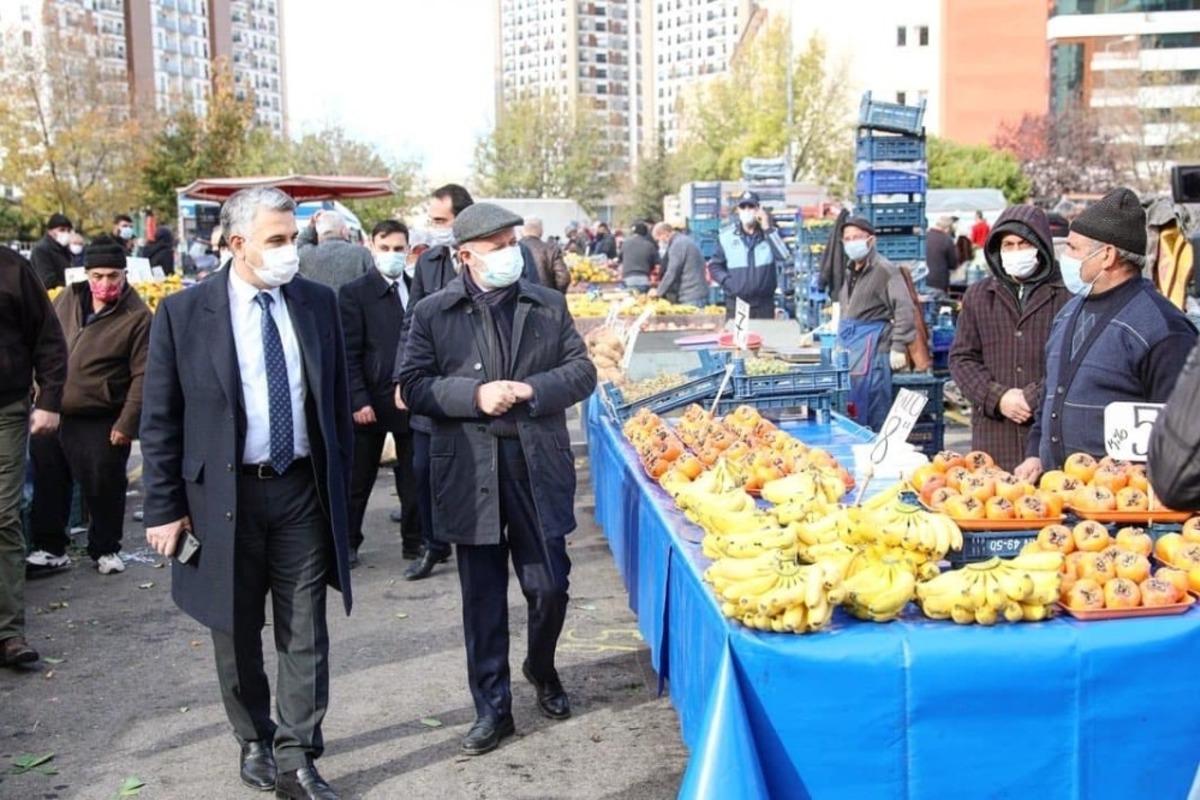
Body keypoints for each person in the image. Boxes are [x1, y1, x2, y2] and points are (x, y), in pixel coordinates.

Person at [141, 187, 353, 800]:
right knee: (233, 630)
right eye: (277, 240)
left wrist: (341, 491)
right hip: (221, 499)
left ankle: (298, 756)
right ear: (238, 244)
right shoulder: (184, 314)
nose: (291, 251)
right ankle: (255, 737)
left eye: (294, 238)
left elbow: (334, 401)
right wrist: (165, 508)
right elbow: (161, 420)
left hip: (300, 492)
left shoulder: (317, 303)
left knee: (305, 627)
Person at [398, 202, 597, 756]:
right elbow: (412, 385)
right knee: (482, 597)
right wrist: (474, 395)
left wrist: (534, 389)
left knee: (549, 584)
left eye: (513, 243)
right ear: (465, 255)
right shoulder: (434, 312)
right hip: (470, 469)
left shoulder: (546, 304)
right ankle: (492, 708)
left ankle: (541, 666)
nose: (511, 253)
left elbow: (583, 371)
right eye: (498, 246)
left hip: (536, 464)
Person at [1014, 188, 1198, 482]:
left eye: (1073, 248)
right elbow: (1051, 392)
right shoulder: (1068, 312)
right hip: (1058, 494)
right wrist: (1035, 451)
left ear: (1107, 255)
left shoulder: (1163, 328)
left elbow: (1184, 428)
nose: (1065, 257)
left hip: (1123, 500)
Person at [26, 236, 151, 577]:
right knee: (49, 479)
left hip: (101, 415)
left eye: (113, 276)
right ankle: (51, 548)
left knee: (103, 483)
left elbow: (143, 375)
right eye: (98, 276)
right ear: (87, 275)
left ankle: (106, 547)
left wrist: (127, 423)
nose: (105, 283)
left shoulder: (138, 316)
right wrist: (37, 390)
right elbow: (44, 340)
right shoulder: (68, 298)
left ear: (124, 275)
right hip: (53, 407)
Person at [949, 206, 1070, 472]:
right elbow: (962, 358)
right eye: (1009, 245)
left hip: (1048, 430)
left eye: (1024, 244)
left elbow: (1074, 361)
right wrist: (998, 397)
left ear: (1041, 246)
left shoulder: (1068, 295)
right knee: (995, 492)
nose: (1016, 251)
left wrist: (1033, 397)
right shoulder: (980, 295)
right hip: (994, 434)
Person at [395, 183, 474, 581]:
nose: (435, 227)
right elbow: (410, 323)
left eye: (441, 220)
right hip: (432, 386)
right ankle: (433, 543)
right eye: (433, 220)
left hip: (480, 387)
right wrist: (402, 377)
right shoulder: (429, 262)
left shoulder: (495, 257)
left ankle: (484, 541)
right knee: (423, 468)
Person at [338, 219, 422, 568]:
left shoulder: (417, 289)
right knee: (358, 480)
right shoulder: (354, 293)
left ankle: (414, 543)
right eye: (385, 248)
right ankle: (347, 543)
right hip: (370, 402)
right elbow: (349, 352)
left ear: (408, 249)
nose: (392, 254)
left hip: (410, 400)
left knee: (414, 479)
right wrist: (358, 399)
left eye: (398, 248)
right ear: (371, 247)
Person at [0, 248, 66, 667]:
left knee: (2, 516)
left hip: (5, 408)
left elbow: (48, 337)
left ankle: (8, 633)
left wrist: (50, 400)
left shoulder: (12, 268)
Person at [835, 218, 917, 430]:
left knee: (874, 405)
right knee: (853, 405)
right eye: (847, 239)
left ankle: (875, 445)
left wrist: (899, 346)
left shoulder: (884, 270)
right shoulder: (851, 269)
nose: (851, 243)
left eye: (857, 237)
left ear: (871, 240)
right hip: (853, 347)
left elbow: (904, 307)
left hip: (876, 349)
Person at [709, 191, 783, 319]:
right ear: (738, 210)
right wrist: (729, 283)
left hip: (764, 304)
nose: (747, 210)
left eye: (751, 206)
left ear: (758, 209)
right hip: (738, 303)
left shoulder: (770, 235)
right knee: (739, 333)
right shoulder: (727, 237)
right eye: (743, 207)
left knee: (763, 333)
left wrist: (767, 228)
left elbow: (784, 257)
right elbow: (714, 266)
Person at [297, 209, 374, 290]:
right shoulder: (362, 253)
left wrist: (310, 227)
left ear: (318, 233)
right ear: (344, 231)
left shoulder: (305, 255)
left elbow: (298, 244)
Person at [650, 222, 708, 307]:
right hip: (696, 291)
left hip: (690, 294)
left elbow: (672, 271)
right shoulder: (685, 240)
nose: (659, 243)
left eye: (658, 239)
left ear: (665, 233)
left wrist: (658, 291)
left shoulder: (678, 244)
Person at [520, 216, 571, 293]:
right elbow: (563, 278)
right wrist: (555, 295)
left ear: (522, 231)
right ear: (541, 231)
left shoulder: (515, 249)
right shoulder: (551, 250)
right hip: (547, 296)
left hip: (521, 297)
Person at [30, 213, 73, 289]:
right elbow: (47, 280)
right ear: (50, 231)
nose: (66, 233)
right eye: (62, 230)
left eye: (68, 230)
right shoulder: (41, 250)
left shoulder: (64, 248)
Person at [618, 221, 659, 293]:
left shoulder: (625, 243)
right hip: (644, 280)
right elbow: (657, 264)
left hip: (628, 279)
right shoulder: (650, 245)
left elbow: (620, 260)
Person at [925, 216, 958, 293]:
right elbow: (953, 264)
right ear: (947, 228)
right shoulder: (947, 239)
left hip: (922, 280)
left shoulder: (924, 237)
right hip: (939, 283)